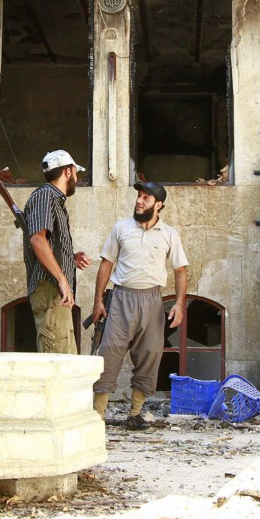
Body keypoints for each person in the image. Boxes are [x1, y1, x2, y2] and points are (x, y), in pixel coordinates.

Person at [91, 181, 189, 431]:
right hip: (122, 298)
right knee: (109, 354)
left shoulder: (169, 234)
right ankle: (97, 416)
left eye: (146, 197)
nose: (139, 200)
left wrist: (179, 303)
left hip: (153, 300)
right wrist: (98, 300)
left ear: (159, 205)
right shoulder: (121, 228)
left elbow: (180, 270)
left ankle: (135, 413)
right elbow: (106, 264)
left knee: (150, 355)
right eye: (139, 196)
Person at [23, 150, 92, 354]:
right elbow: (37, 239)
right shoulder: (45, 195)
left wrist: (70, 258)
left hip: (55, 291)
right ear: (68, 172)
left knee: (66, 358)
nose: (77, 179)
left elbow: (46, 243)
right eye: (76, 173)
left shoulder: (54, 199)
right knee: (57, 359)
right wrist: (62, 278)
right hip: (50, 288)